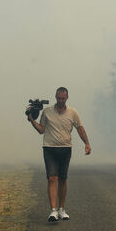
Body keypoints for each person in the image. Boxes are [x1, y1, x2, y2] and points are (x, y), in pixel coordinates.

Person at [27, 86, 91, 222]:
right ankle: (53, 210)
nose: (60, 100)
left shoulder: (73, 112)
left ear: (67, 98)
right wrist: (31, 119)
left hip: (66, 148)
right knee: (52, 178)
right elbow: (41, 130)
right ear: (55, 97)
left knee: (63, 179)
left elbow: (80, 128)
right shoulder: (47, 111)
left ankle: (62, 209)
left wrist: (87, 143)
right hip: (49, 148)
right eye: (58, 98)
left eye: (63, 98)